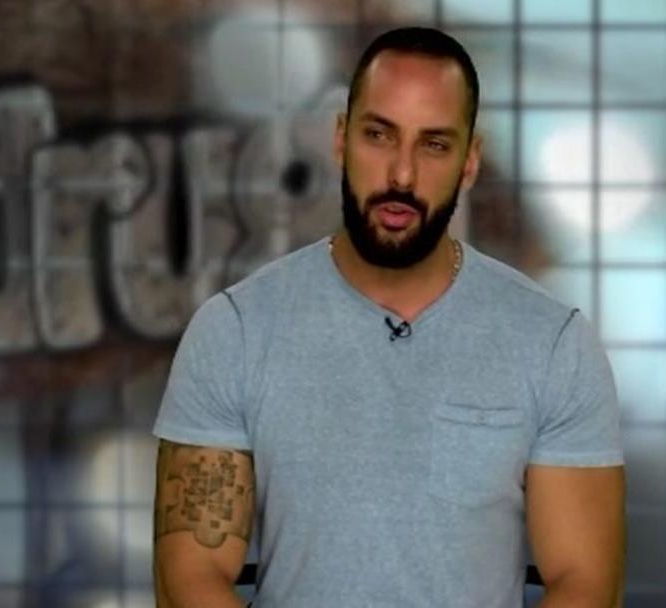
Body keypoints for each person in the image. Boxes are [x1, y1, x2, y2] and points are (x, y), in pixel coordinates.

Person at [152, 26, 625, 608]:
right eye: (379, 135)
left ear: (470, 161)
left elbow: (585, 583)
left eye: (434, 145)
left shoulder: (552, 343)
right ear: (340, 139)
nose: (402, 175)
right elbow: (190, 578)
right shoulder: (236, 330)